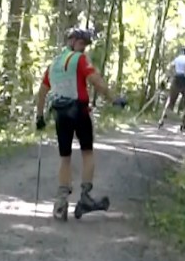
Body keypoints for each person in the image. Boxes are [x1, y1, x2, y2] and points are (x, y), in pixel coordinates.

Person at [34, 27, 127, 220]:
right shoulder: (80, 60)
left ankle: (60, 203)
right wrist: (113, 99)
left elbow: (42, 91)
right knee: (87, 152)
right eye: (82, 43)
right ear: (73, 41)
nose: (84, 48)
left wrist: (40, 116)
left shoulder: (54, 64)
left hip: (60, 113)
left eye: (85, 45)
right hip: (79, 110)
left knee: (65, 157)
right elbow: (96, 81)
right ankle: (85, 197)